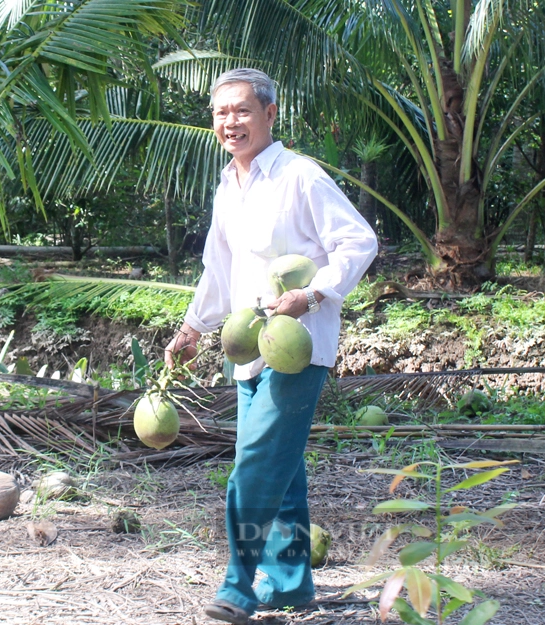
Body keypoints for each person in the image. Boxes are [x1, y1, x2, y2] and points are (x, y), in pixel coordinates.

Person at [164, 68, 377, 625]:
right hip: (248, 347)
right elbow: (219, 268)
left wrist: (313, 293)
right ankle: (289, 583)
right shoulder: (228, 185)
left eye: (241, 111)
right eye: (220, 113)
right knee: (276, 464)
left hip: (298, 345)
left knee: (255, 462)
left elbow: (358, 240)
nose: (230, 122)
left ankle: (238, 585)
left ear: (269, 114)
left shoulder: (299, 176)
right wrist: (192, 328)